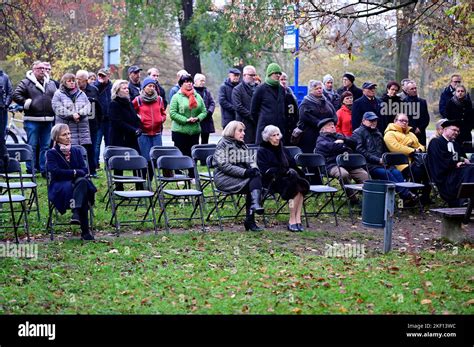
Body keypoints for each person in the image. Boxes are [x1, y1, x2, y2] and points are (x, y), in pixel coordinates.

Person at [352, 112, 418, 205]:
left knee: (397, 172)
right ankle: (406, 194)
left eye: (375, 120)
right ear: (363, 121)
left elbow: (384, 150)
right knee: (386, 174)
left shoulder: (378, 133)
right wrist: (377, 160)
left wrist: (386, 160)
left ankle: (405, 197)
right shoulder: (358, 133)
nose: (373, 122)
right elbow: (361, 151)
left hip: (382, 163)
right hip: (368, 165)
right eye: (371, 121)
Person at [46, 124, 97, 240]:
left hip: (77, 182)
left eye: (69, 133)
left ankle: (76, 212)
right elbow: (56, 172)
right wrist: (74, 172)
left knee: (83, 182)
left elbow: (84, 170)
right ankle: (85, 232)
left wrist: (72, 172)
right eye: (64, 135)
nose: (68, 137)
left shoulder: (76, 150)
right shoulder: (52, 153)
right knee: (82, 186)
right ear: (56, 137)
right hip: (60, 184)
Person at [213, 121, 264, 232]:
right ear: (232, 131)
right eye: (240, 131)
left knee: (255, 178)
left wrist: (254, 168)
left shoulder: (242, 144)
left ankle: (251, 216)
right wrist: (245, 172)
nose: (243, 133)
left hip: (240, 177)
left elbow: (250, 161)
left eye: (243, 131)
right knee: (253, 183)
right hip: (224, 178)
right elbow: (224, 166)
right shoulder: (222, 144)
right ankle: (251, 217)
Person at [257, 125, 309, 231]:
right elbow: (265, 171)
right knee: (294, 188)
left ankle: (298, 217)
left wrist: (295, 172)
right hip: (272, 180)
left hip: (288, 178)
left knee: (301, 185)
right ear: (267, 137)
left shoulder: (282, 148)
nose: (277, 138)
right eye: (273, 135)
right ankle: (292, 219)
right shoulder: (262, 150)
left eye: (277, 135)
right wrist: (283, 172)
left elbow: (292, 164)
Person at [12, 61, 57, 176]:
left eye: (43, 68)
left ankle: (44, 170)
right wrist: (26, 103)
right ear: (33, 70)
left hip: (48, 120)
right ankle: (30, 169)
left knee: (46, 146)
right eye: (39, 68)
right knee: (32, 145)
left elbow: (56, 96)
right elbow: (16, 95)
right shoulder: (26, 82)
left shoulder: (51, 83)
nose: (42, 70)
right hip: (32, 119)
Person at [316, 118, 368, 203]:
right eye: (329, 125)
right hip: (331, 165)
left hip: (348, 164)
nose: (333, 126)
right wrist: (343, 146)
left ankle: (367, 199)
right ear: (323, 129)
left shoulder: (339, 136)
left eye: (333, 124)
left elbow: (354, 143)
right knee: (343, 174)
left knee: (364, 175)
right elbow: (332, 147)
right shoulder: (321, 140)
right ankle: (353, 199)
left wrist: (343, 140)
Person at [383, 113, 431, 204]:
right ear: (395, 121)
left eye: (406, 121)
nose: (404, 123)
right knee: (419, 170)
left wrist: (418, 149)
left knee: (428, 168)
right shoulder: (390, 134)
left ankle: (425, 196)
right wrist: (412, 150)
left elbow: (421, 146)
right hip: (401, 164)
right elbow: (395, 148)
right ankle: (411, 196)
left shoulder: (411, 134)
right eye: (401, 120)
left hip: (416, 161)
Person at [427, 119, 474, 207]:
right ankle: (464, 199)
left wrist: (461, 162)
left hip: (458, 175)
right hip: (445, 178)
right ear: (445, 130)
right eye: (454, 130)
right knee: (469, 170)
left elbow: (464, 159)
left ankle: (468, 199)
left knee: (471, 168)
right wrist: (456, 163)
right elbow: (439, 162)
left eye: (458, 131)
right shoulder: (436, 142)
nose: (456, 133)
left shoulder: (456, 145)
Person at [169, 74, 207, 176]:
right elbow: (172, 113)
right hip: (180, 131)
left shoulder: (197, 96)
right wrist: (186, 120)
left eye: (190, 81)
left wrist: (198, 118)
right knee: (180, 154)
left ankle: (192, 174)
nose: (189, 83)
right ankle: (179, 174)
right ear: (181, 84)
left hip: (194, 131)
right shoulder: (176, 97)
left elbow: (204, 111)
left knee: (192, 154)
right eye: (186, 81)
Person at [52, 73, 92, 167]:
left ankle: (84, 171)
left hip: (81, 128)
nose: (72, 83)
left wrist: (80, 114)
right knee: (67, 152)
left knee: (81, 152)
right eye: (69, 81)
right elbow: (57, 107)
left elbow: (88, 106)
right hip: (66, 127)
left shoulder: (81, 93)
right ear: (64, 82)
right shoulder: (58, 94)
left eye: (73, 81)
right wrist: (71, 115)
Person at [132, 77, 166, 173]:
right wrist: (139, 120)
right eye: (149, 86)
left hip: (157, 133)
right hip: (144, 134)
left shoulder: (159, 99)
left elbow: (163, 113)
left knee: (155, 159)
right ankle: (143, 180)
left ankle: (151, 180)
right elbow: (132, 114)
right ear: (144, 87)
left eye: (153, 86)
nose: (152, 88)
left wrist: (161, 119)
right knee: (145, 158)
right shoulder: (138, 100)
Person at [251, 63, 287, 145]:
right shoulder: (260, 89)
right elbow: (253, 111)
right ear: (270, 74)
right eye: (275, 73)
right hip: (265, 129)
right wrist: (262, 121)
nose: (278, 75)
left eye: (279, 73)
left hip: (279, 130)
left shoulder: (282, 89)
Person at [297, 80, 337, 153]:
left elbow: (334, 114)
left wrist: (332, 123)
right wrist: (322, 124)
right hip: (310, 135)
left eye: (320, 88)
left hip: (326, 135)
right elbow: (305, 117)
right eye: (316, 89)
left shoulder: (326, 101)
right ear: (311, 90)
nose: (319, 90)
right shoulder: (306, 103)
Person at [76, 70, 102, 177]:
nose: (77, 81)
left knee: (91, 147)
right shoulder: (74, 91)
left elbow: (99, 107)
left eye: (79, 79)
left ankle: (92, 170)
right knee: (79, 148)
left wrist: (98, 121)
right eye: (76, 79)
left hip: (92, 123)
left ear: (86, 80)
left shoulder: (94, 90)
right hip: (78, 123)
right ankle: (81, 170)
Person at [232, 65, 258, 143]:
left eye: (254, 75)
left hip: (257, 124)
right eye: (251, 75)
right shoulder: (237, 90)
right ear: (244, 75)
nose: (253, 77)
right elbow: (238, 107)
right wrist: (252, 116)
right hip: (243, 124)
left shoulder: (259, 88)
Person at [93, 68, 112, 168]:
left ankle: (108, 165)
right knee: (97, 143)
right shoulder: (94, 86)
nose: (100, 77)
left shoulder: (112, 86)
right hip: (98, 120)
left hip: (109, 120)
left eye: (103, 76)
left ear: (108, 76)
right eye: (99, 75)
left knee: (109, 143)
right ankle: (96, 164)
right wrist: (99, 84)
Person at [402, 81, 430, 146]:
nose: (414, 90)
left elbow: (426, 118)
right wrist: (414, 128)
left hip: (421, 132)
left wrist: (420, 128)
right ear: (407, 91)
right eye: (412, 89)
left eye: (415, 88)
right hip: (408, 132)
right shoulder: (403, 103)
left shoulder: (423, 102)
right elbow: (404, 118)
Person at [193, 73, 215, 144]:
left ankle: (204, 154)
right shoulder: (192, 92)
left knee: (205, 140)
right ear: (195, 81)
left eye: (204, 81)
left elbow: (212, 103)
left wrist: (210, 112)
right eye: (201, 81)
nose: (203, 82)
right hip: (196, 119)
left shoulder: (206, 91)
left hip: (206, 119)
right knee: (194, 140)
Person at [280, 72, 299, 145]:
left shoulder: (291, 95)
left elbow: (295, 111)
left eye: (285, 79)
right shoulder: (275, 95)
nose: (283, 82)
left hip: (290, 127)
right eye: (281, 79)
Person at [0, 67, 13, 138]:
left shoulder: (4, 77)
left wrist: (5, 104)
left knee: (1, 134)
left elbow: (10, 93)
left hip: (2, 111)